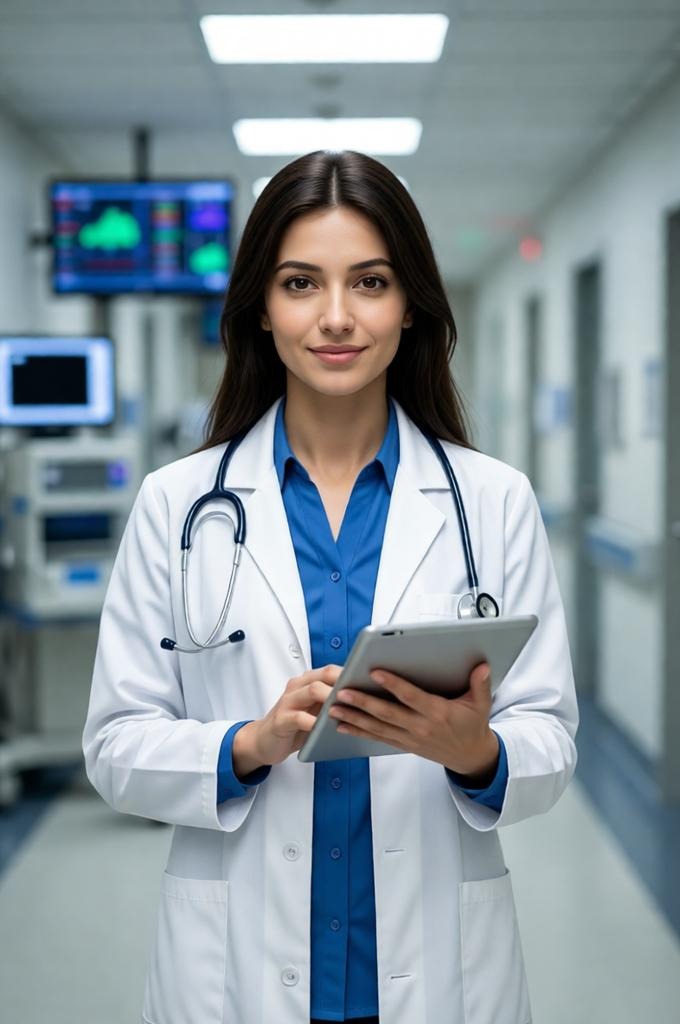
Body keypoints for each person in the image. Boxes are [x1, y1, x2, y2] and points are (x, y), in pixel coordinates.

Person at [82, 150, 578, 1024]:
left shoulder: (493, 502)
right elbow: (116, 745)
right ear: (261, 310)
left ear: (412, 305)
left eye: (372, 282)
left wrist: (478, 753)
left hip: (439, 974)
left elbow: (549, 737)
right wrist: (247, 744)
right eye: (302, 283)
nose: (337, 317)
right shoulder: (177, 504)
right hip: (234, 970)